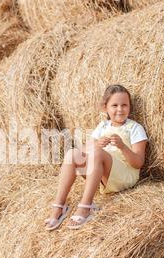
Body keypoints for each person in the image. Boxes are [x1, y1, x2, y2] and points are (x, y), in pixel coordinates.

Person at [44, 84, 149, 230]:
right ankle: (59, 206)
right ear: (105, 108)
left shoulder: (135, 128)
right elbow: (85, 152)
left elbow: (138, 163)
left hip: (125, 176)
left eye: (124, 105)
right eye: (115, 105)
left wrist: (123, 146)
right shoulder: (103, 126)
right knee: (72, 154)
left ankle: (86, 206)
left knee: (97, 154)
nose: (120, 109)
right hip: (102, 177)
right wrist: (97, 144)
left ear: (130, 107)